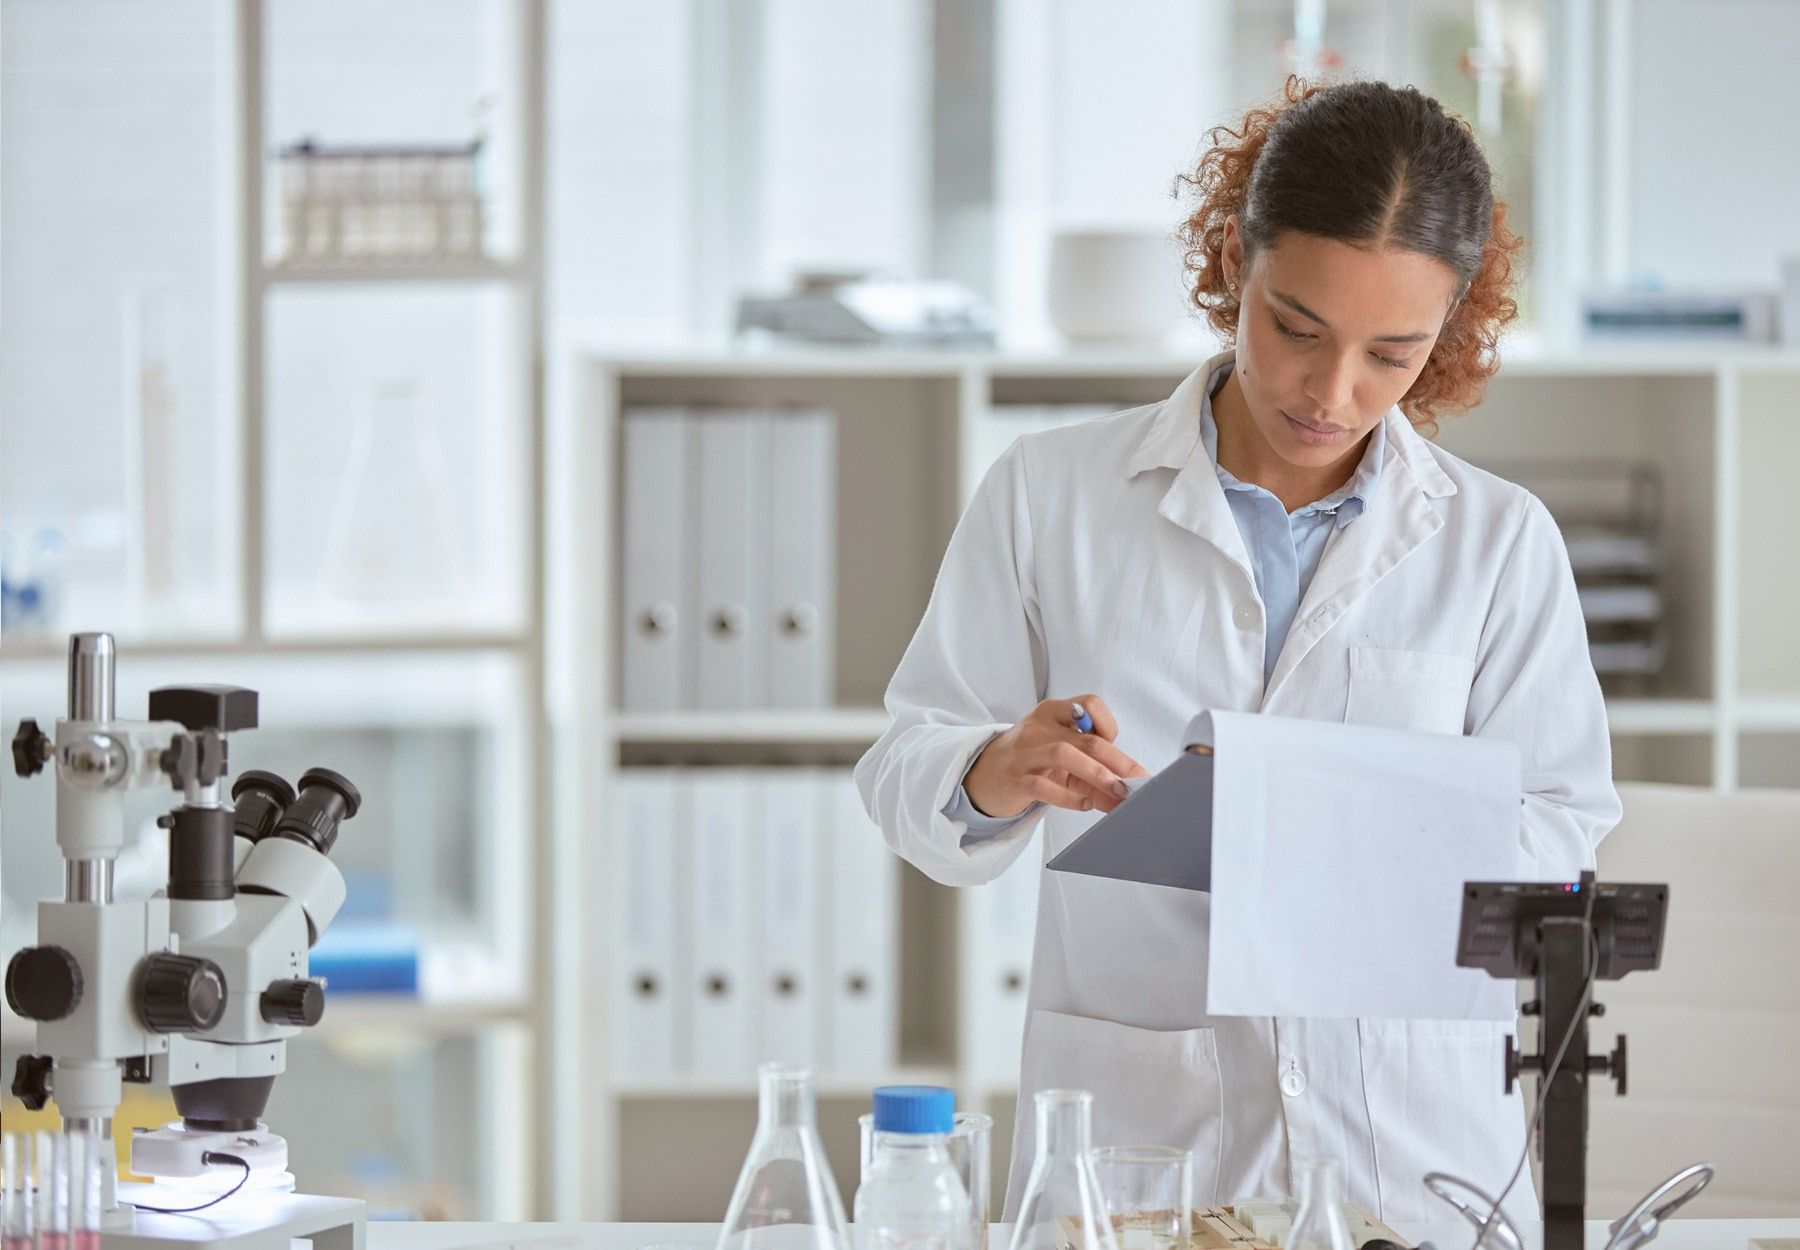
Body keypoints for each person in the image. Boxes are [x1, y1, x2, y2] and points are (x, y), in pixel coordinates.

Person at [853, 77, 1621, 1225]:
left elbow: (1563, 830)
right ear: (1232, 257)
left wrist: (1332, 828)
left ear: (1448, 330)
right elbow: (905, 763)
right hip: (1143, 1151)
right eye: (1296, 328)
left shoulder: (1497, 540)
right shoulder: (1050, 494)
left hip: (1409, 1159)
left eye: (1392, 355)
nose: (1332, 390)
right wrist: (989, 770)